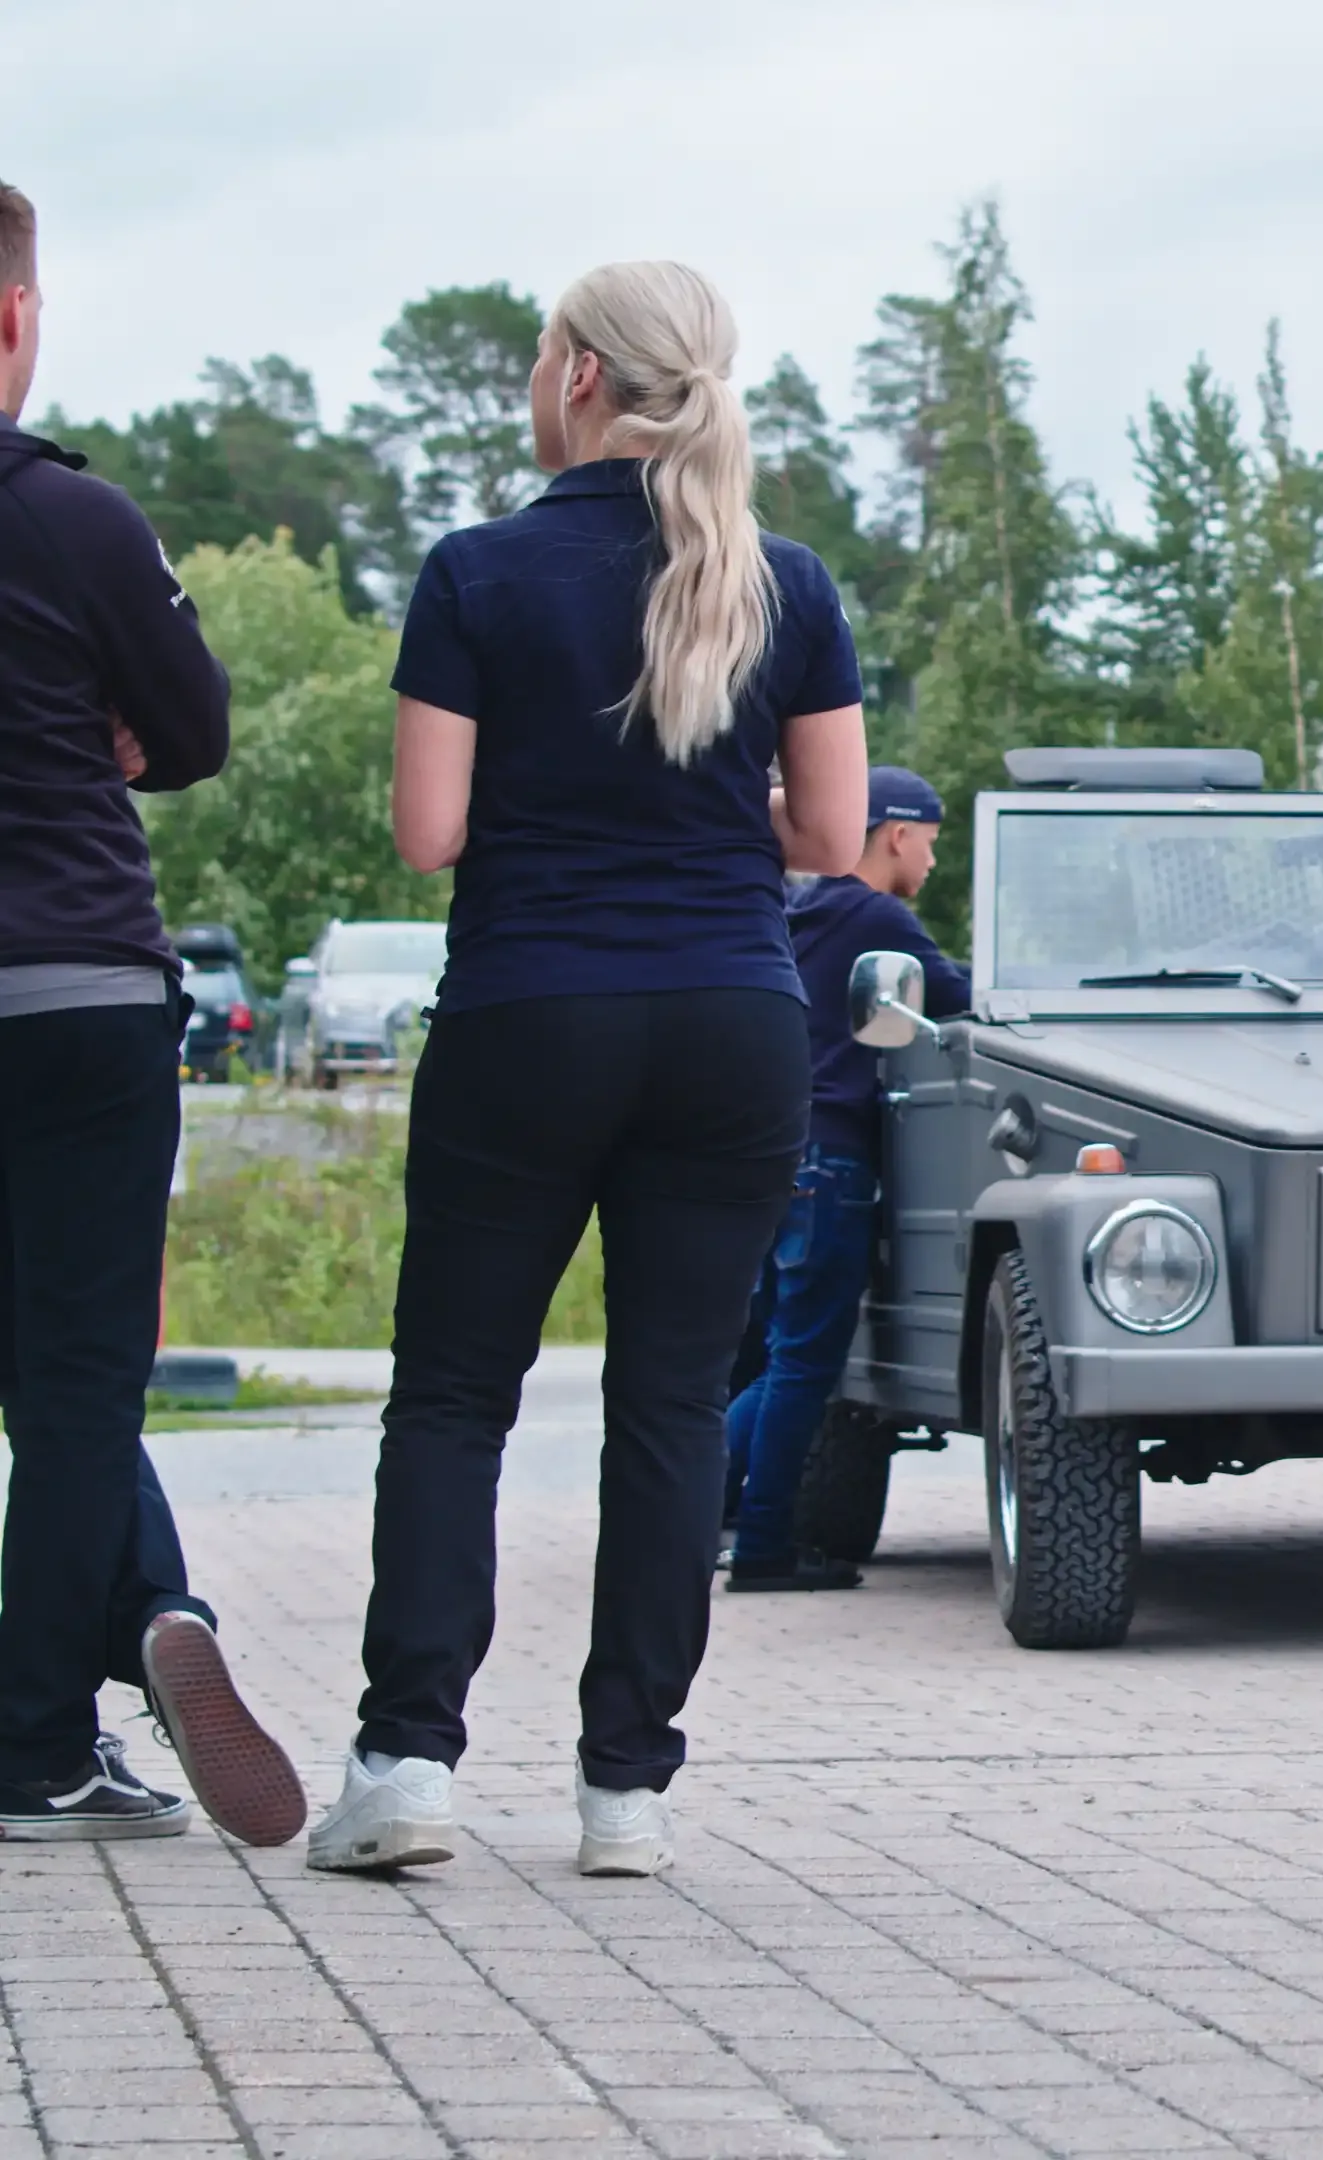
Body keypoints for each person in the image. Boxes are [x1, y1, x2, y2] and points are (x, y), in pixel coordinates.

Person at [305, 262, 867, 1879]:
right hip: (732, 1023)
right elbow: (831, 840)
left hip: (532, 1014)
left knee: (457, 1395)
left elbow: (430, 833)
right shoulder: (788, 583)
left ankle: (407, 1766)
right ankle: (628, 1793)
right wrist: (694, 826)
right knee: (674, 1400)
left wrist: (570, 816)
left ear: (574, 377)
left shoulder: (479, 571)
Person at [0, 180, 305, 1847]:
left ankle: (130, 1620)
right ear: (17, 320)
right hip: (75, 992)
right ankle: (49, 1726)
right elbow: (192, 729)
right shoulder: (76, 521)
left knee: (37, 1380)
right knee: (75, 1384)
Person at [718, 766, 967, 1591]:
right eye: (929, 844)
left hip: (770, 1154)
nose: (930, 863)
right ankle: (759, 1550)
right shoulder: (876, 916)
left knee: (774, 1360)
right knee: (802, 1367)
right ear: (896, 835)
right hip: (831, 1160)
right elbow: (960, 999)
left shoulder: (794, 910)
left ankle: (690, 1520)